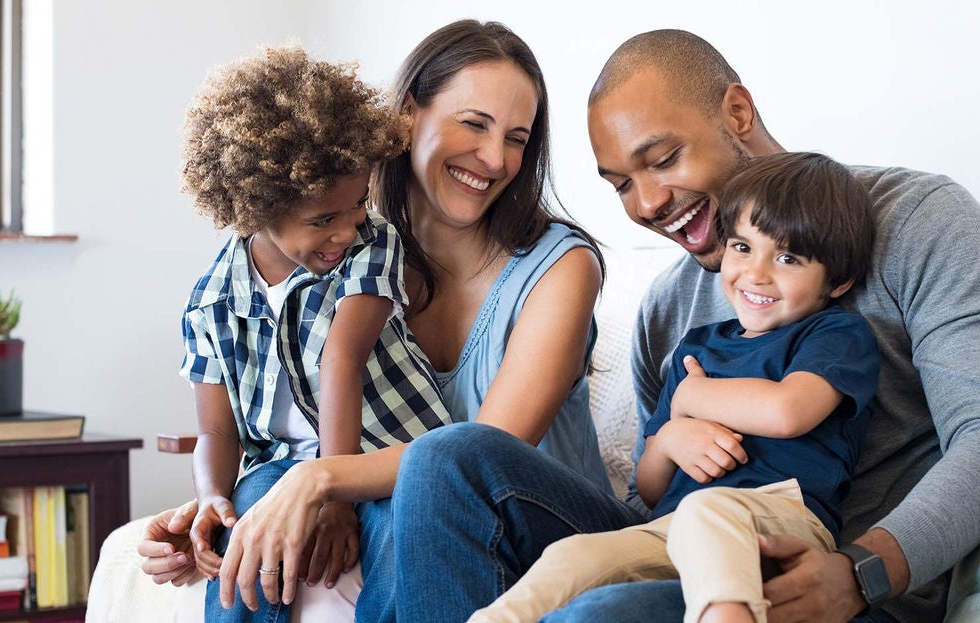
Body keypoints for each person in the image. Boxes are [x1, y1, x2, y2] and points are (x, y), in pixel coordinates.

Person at [392, 29, 980, 623]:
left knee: (598, 615)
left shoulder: (920, 221)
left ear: (737, 114)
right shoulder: (668, 306)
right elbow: (655, 494)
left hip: (835, 583)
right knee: (445, 459)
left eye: (664, 158)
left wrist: (860, 572)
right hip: (685, 548)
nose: (646, 204)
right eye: (621, 183)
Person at [136, 20, 626, 623]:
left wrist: (319, 481)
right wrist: (219, 509)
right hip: (412, 516)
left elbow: (477, 456)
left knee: (437, 468)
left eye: (517, 138)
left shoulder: (560, 266)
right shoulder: (341, 252)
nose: (496, 158)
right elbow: (268, 413)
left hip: (541, 528)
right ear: (408, 115)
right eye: (474, 124)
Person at [471, 151, 880, 623]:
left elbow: (788, 412)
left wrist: (692, 399)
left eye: (788, 258)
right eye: (743, 247)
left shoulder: (833, 334)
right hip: (674, 526)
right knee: (573, 557)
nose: (756, 273)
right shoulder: (697, 348)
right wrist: (669, 439)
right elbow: (648, 487)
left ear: (838, 280)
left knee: (708, 512)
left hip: (780, 517)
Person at [174, 46, 455, 621]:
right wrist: (211, 500)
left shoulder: (373, 243)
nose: (346, 231)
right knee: (245, 526)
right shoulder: (211, 301)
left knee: (407, 529)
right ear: (255, 210)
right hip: (278, 466)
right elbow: (215, 431)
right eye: (322, 220)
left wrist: (334, 494)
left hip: (385, 454)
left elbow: (342, 359)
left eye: (356, 205)